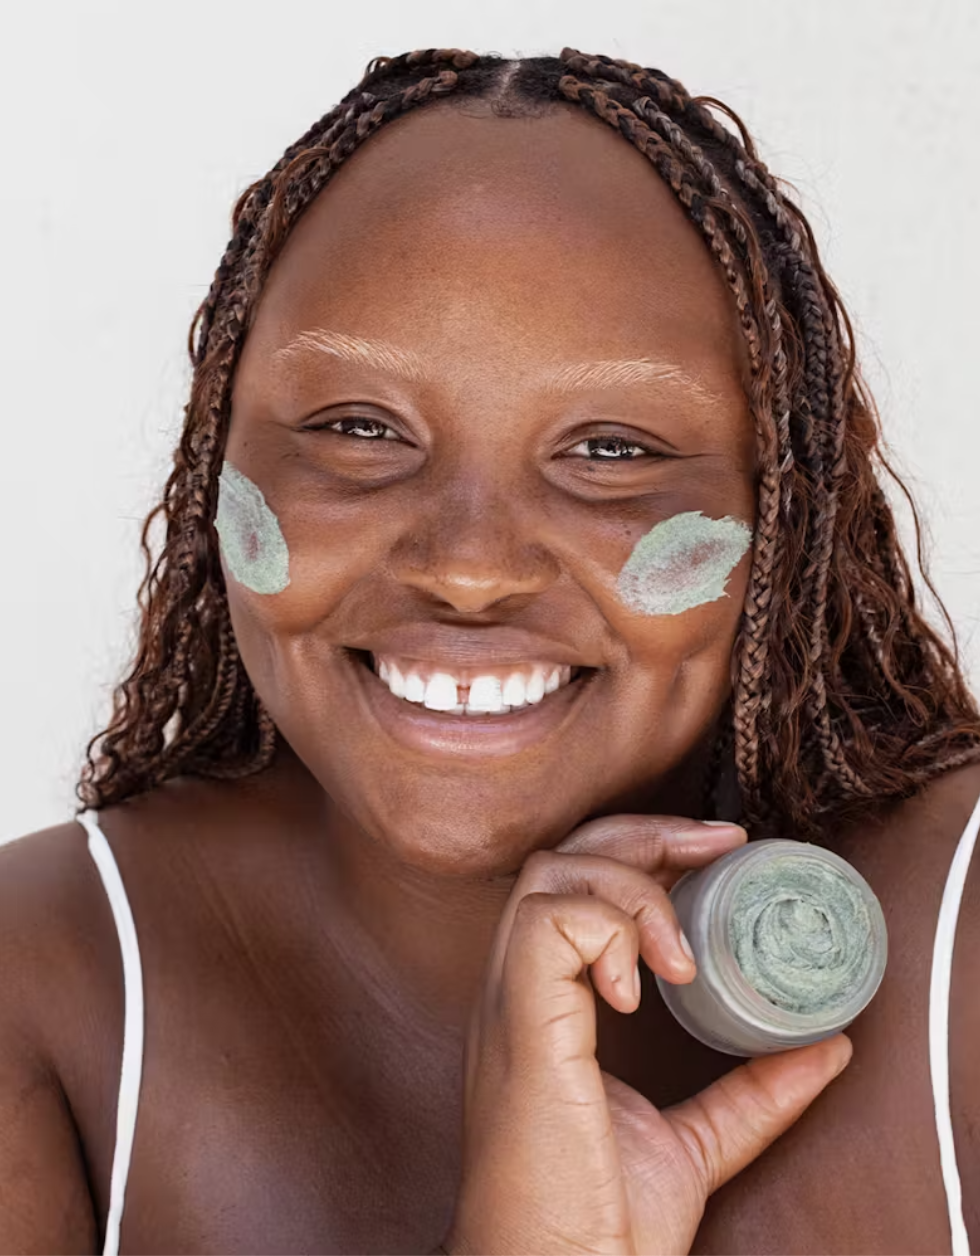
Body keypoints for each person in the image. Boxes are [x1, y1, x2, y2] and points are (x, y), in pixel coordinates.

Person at [2, 47, 978, 1255]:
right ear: (216, 466)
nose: (467, 566)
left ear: (784, 512)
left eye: (609, 450)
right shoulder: (42, 971)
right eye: (358, 429)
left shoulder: (964, 931)